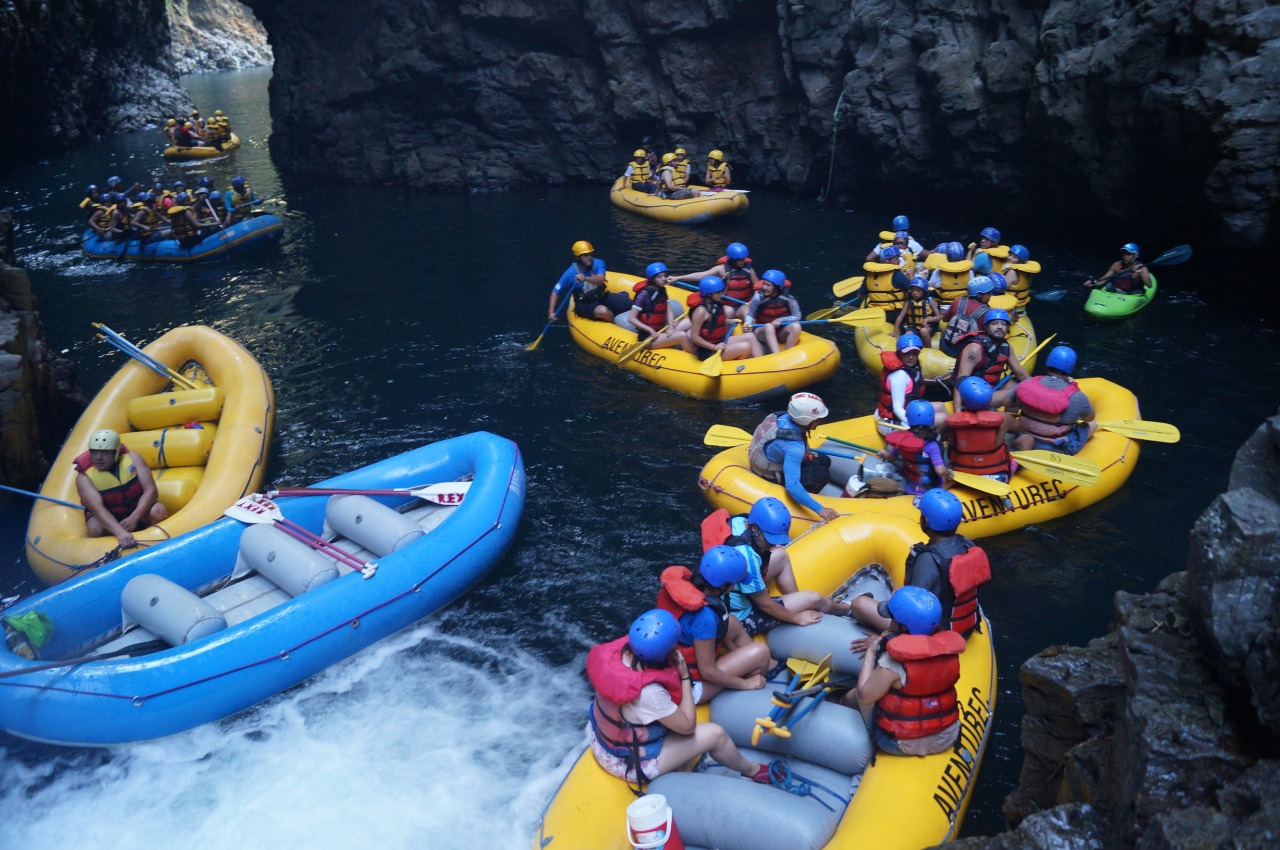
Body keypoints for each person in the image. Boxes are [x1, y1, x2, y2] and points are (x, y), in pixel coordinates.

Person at [585, 608, 772, 787]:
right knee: (716, 735)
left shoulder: (618, 654)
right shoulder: (649, 692)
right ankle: (754, 771)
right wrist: (683, 676)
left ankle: (682, 765)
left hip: (601, 739)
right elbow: (687, 727)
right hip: (627, 762)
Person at [849, 489, 990, 640]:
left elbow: (913, 610)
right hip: (963, 628)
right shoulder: (967, 545)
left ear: (926, 521)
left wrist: (883, 639)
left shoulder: (929, 559)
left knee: (860, 604)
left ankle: (845, 609)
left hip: (936, 632)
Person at [846, 586, 967, 756]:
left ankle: (839, 701)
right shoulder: (947, 651)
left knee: (854, 695)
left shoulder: (894, 663)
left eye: (892, 618)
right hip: (945, 736)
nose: (890, 621)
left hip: (898, 742)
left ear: (903, 628)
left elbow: (865, 696)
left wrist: (871, 652)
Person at [655, 547, 773, 704]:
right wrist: (746, 684)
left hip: (674, 655)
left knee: (731, 622)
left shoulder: (688, 585)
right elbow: (708, 672)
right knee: (761, 652)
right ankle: (754, 674)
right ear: (724, 586)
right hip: (690, 686)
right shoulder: (705, 617)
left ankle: (761, 665)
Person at [721, 496, 851, 637]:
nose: (774, 544)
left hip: (730, 593)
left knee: (780, 554)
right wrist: (797, 618)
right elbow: (764, 604)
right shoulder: (747, 557)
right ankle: (846, 610)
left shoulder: (738, 523)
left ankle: (798, 600)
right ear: (754, 528)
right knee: (814, 598)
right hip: (741, 617)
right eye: (770, 539)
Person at [748, 395, 842, 523]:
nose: (821, 422)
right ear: (805, 420)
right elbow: (792, 486)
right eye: (818, 420)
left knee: (824, 460)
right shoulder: (794, 447)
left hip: (769, 460)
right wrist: (820, 509)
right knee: (822, 474)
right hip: (770, 476)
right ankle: (807, 496)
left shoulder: (780, 417)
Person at [74, 429, 168, 551]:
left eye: (105, 453)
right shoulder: (83, 478)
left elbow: (151, 490)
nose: (99, 457)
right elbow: (97, 509)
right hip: (110, 518)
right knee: (94, 527)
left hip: (137, 511)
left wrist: (134, 518)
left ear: (116, 453)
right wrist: (120, 533)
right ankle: (109, 548)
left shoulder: (133, 459)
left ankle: (155, 539)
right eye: (94, 452)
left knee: (158, 510)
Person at [1011, 344, 1098, 454]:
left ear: (1048, 365)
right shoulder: (1076, 396)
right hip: (1055, 447)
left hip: (1025, 435)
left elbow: (1011, 403)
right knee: (1093, 424)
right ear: (1070, 369)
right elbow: (1089, 418)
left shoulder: (1026, 383)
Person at [952, 308, 1029, 409]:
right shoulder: (974, 348)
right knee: (1016, 391)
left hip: (992, 386)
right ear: (986, 327)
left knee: (1024, 387)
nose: (999, 327)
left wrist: (1037, 388)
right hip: (973, 394)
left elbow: (1020, 373)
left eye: (1003, 324)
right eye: (994, 323)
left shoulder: (1006, 347)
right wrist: (957, 410)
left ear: (1007, 327)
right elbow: (961, 380)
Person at [944, 377, 1013, 482]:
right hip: (998, 477)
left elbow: (951, 443)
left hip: (962, 475)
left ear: (963, 399)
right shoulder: (1004, 419)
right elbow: (1022, 427)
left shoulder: (953, 424)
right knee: (1024, 439)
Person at [547, 240, 631, 324]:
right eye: (585, 255)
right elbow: (555, 292)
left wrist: (585, 278)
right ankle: (614, 325)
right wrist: (551, 312)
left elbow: (600, 280)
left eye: (590, 254)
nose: (589, 257)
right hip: (584, 304)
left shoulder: (599, 263)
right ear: (578, 257)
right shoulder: (570, 273)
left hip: (601, 296)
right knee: (603, 311)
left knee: (627, 303)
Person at [877, 400, 950, 495]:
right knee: (950, 479)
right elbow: (940, 471)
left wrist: (883, 454)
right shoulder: (931, 444)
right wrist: (948, 473)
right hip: (928, 488)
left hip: (909, 484)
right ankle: (941, 493)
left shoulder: (902, 439)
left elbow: (891, 458)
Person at [875, 334, 944, 433]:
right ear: (900, 354)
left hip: (908, 410)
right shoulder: (899, 375)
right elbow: (897, 408)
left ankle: (943, 439)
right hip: (892, 422)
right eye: (907, 353)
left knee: (941, 406)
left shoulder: (911, 368)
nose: (911, 357)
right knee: (942, 418)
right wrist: (916, 423)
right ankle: (936, 443)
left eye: (914, 353)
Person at [672, 242, 756, 319]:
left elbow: (758, 287)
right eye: (740, 259)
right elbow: (701, 275)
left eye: (744, 259)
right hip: (726, 305)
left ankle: (749, 330)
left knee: (747, 312)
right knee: (729, 312)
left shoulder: (749, 270)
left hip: (743, 304)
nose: (743, 261)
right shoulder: (721, 269)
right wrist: (678, 278)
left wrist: (752, 302)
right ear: (733, 259)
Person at [688, 278, 761, 361]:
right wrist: (714, 347)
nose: (721, 294)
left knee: (750, 336)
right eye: (718, 292)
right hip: (708, 351)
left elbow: (715, 322)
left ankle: (762, 362)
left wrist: (729, 321)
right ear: (709, 294)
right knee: (745, 347)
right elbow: (694, 337)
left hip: (720, 342)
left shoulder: (716, 303)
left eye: (721, 291)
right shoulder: (700, 311)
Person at [625, 262, 692, 353]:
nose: (664, 279)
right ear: (652, 279)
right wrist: (650, 330)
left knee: (691, 321)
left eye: (664, 275)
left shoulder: (662, 290)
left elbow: (669, 312)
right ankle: (693, 357)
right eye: (660, 277)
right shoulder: (644, 294)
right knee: (682, 335)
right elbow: (631, 318)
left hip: (662, 329)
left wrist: (671, 327)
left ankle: (687, 347)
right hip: (649, 337)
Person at [744, 269, 801, 353]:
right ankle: (777, 355)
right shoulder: (758, 298)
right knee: (769, 326)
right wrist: (747, 324)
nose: (764, 287)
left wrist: (781, 320)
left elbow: (797, 316)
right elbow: (750, 314)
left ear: (777, 287)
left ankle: (787, 353)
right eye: (764, 284)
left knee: (796, 326)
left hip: (780, 332)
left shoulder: (789, 299)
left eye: (768, 285)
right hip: (762, 331)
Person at [938, 276, 995, 357]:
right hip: (965, 352)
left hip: (946, 345)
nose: (990, 296)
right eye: (988, 293)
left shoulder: (957, 301)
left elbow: (944, 319)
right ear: (979, 295)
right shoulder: (986, 312)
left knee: (944, 331)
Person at [892, 277, 942, 348]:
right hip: (914, 327)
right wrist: (895, 332)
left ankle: (928, 349)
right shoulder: (909, 301)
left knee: (923, 331)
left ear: (924, 291)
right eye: (913, 290)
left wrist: (927, 320)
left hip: (928, 327)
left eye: (918, 291)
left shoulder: (930, 301)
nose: (915, 293)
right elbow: (900, 317)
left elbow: (939, 317)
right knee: (907, 335)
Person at [1085, 243, 1151, 294]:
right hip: (1114, 290)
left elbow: (1149, 285)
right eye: (1124, 254)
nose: (1125, 257)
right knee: (1109, 285)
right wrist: (1092, 283)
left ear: (1135, 256)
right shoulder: (1116, 265)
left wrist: (1141, 272)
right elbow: (1103, 279)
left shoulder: (1141, 267)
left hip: (1130, 293)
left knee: (1132, 277)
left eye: (1129, 254)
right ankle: (1115, 290)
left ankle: (1117, 290)